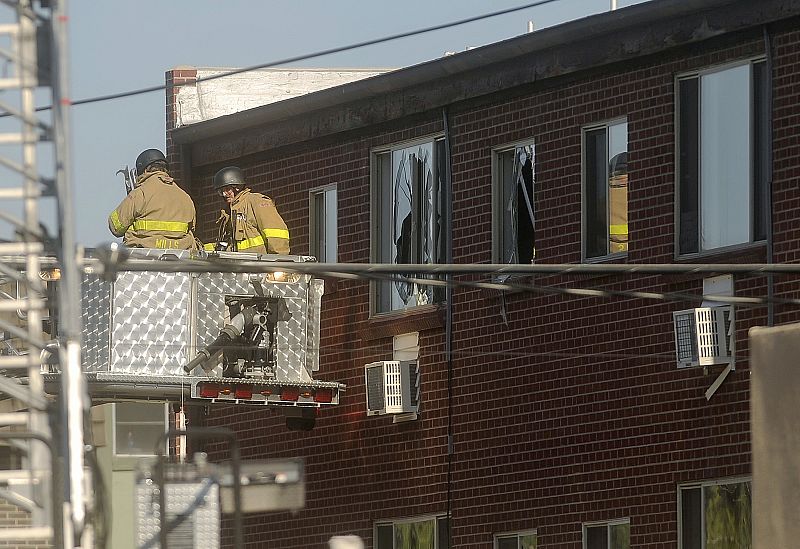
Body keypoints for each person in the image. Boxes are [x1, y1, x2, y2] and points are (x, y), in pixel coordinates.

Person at [108, 149, 199, 250]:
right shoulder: (185, 197)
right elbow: (192, 229)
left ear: (145, 170)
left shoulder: (140, 193)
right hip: (179, 258)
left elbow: (115, 227)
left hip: (143, 258)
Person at [208, 166, 290, 254]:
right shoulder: (227, 213)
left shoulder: (257, 202)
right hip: (238, 265)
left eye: (227, 189)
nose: (224, 194)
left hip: (259, 265)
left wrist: (278, 263)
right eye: (221, 191)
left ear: (237, 187)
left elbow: (276, 234)